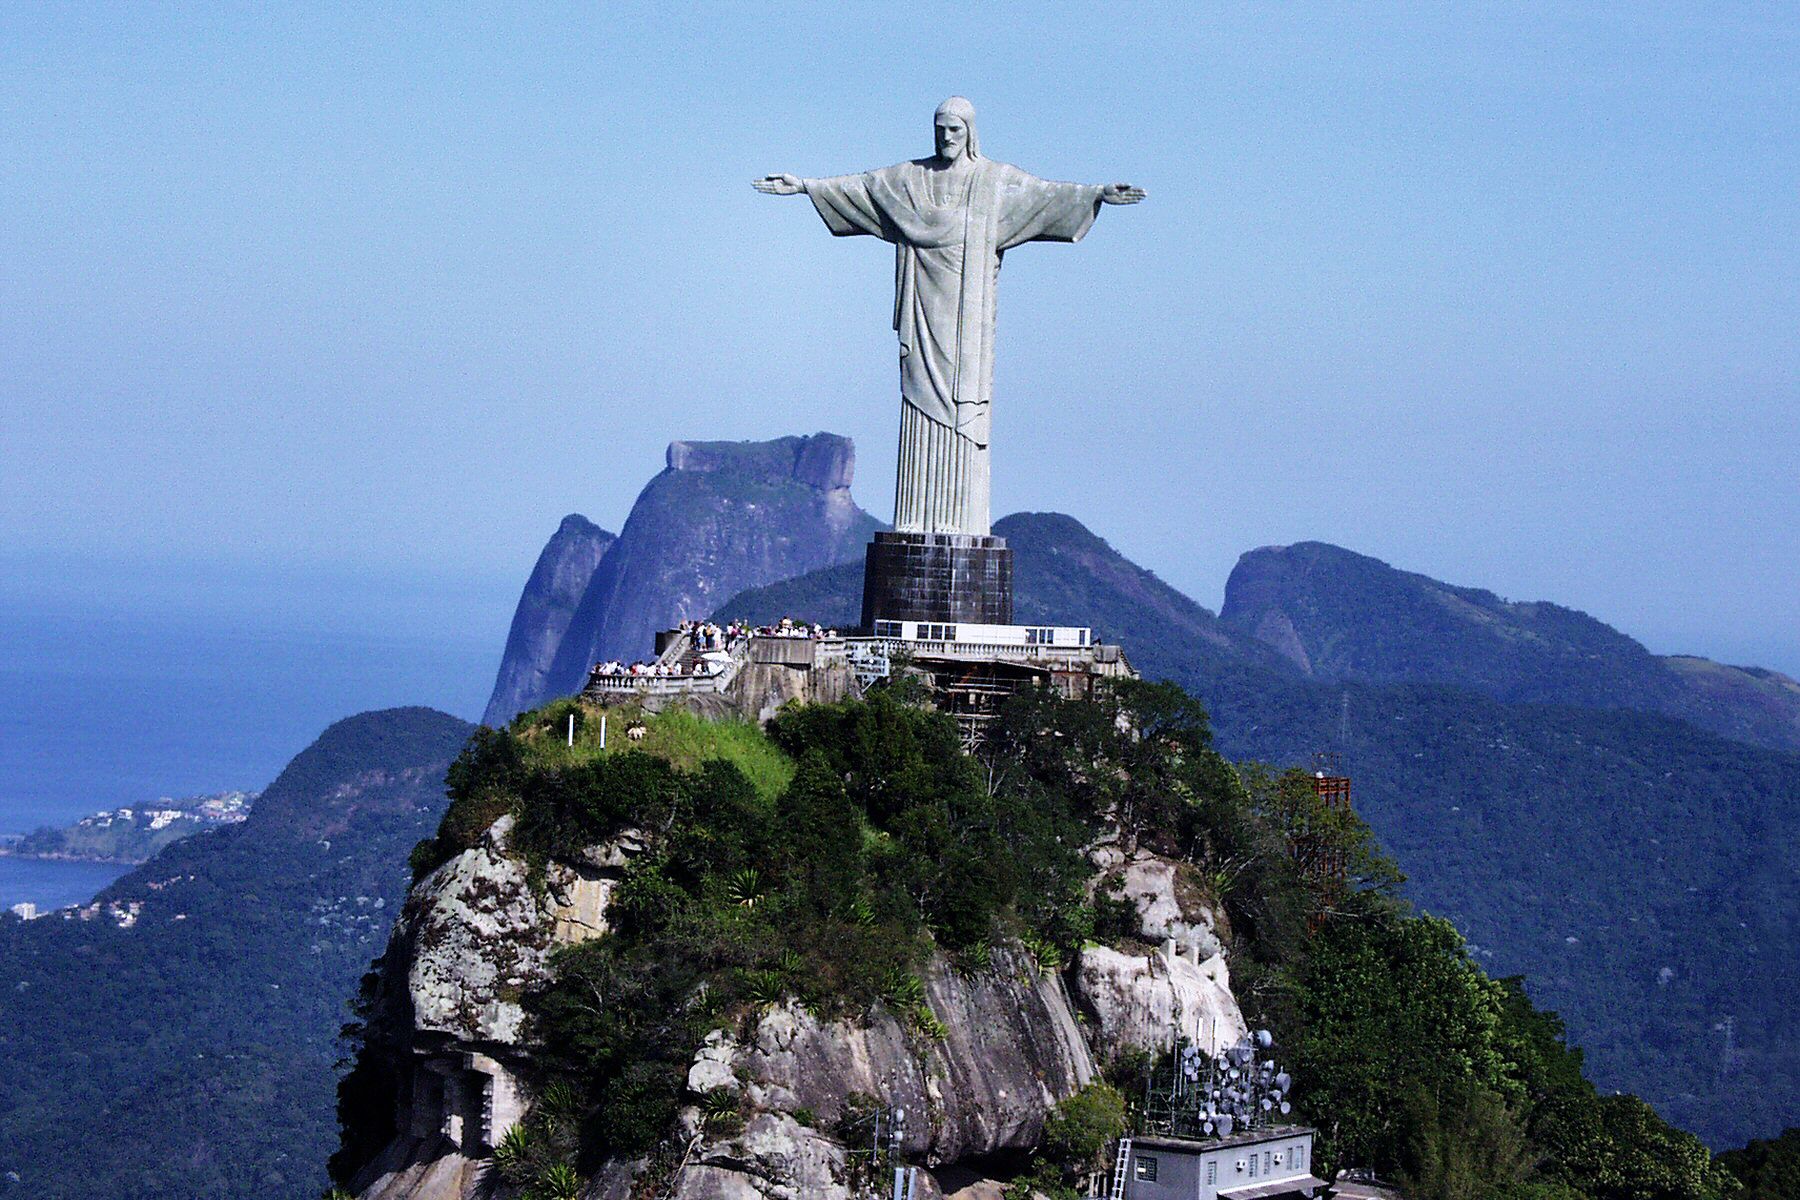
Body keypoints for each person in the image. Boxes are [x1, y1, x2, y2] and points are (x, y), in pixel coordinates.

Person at [756, 96, 1143, 535]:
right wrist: (806, 185)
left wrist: (1097, 195)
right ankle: (917, 519)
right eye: (940, 129)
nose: (946, 137)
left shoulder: (995, 183)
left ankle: (960, 519)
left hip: (967, 323)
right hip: (922, 315)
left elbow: (1046, 195)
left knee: (965, 412)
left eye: (955, 130)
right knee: (919, 403)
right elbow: (864, 188)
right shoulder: (910, 180)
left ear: (971, 133)